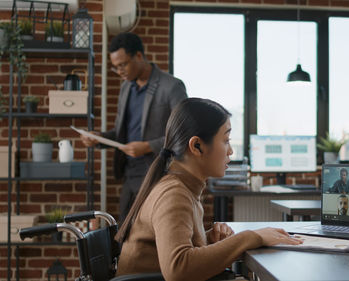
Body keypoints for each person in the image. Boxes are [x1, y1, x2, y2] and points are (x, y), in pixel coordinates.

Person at [114, 98, 302, 280]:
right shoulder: (174, 194)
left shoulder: (183, 187)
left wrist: (207, 239)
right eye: (226, 140)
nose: (231, 151)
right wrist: (252, 237)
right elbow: (178, 269)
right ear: (197, 146)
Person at [80, 32, 187, 222]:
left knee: (152, 236)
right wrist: (99, 138)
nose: (120, 71)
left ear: (138, 56)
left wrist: (147, 146)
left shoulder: (171, 86)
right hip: (130, 175)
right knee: (126, 235)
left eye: (122, 65)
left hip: (159, 174)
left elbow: (184, 132)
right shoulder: (126, 88)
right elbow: (121, 135)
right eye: (115, 67)